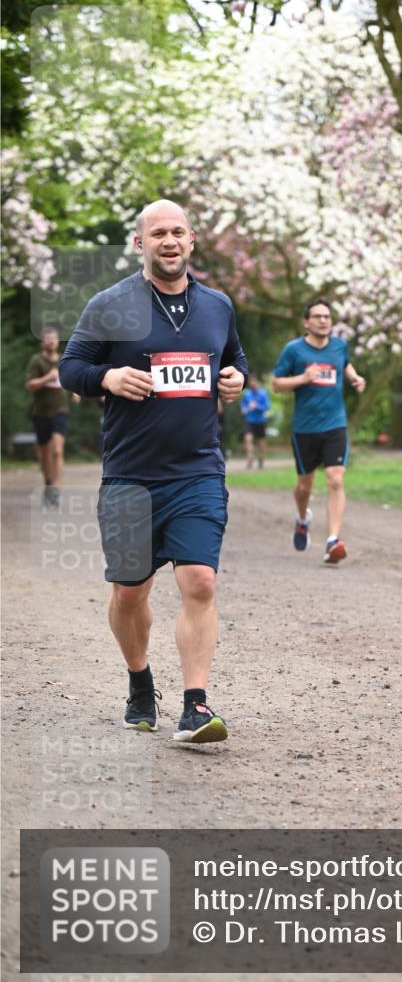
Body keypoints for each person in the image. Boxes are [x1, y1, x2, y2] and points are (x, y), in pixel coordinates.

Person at [60, 199, 248, 744]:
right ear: (140, 243)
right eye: (157, 233)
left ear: (191, 241)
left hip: (197, 470)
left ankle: (195, 705)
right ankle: (140, 682)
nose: (169, 241)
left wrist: (234, 379)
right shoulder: (110, 304)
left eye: (178, 233)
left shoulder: (217, 305)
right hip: (130, 475)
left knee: (200, 580)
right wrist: (109, 377)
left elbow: (232, 360)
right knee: (129, 593)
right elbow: (72, 368)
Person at [272, 299, 366, 564]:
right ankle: (303, 518)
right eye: (317, 316)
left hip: (335, 424)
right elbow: (276, 384)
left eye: (327, 316)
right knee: (304, 486)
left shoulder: (339, 346)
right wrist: (303, 378)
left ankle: (333, 540)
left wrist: (354, 378)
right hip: (305, 428)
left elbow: (344, 363)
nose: (323, 320)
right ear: (306, 322)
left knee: (336, 479)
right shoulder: (294, 351)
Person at [25, 327, 80, 506]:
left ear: (57, 341)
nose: (51, 341)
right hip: (41, 412)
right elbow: (30, 385)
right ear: (43, 342)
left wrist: (75, 392)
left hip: (60, 410)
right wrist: (48, 377)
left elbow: (70, 379)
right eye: (47, 338)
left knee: (57, 450)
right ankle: (48, 484)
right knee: (45, 454)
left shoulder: (64, 359)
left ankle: (56, 489)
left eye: (54, 338)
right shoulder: (37, 361)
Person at [241, 375, 270, 468]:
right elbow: (243, 405)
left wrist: (256, 406)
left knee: (260, 441)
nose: (253, 385)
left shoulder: (263, 393)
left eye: (254, 383)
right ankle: (250, 458)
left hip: (260, 421)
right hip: (249, 420)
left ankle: (261, 458)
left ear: (258, 383)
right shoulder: (247, 394)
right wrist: (244, 409)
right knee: (248, 439)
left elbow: (267, 407)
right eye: (251, 383)